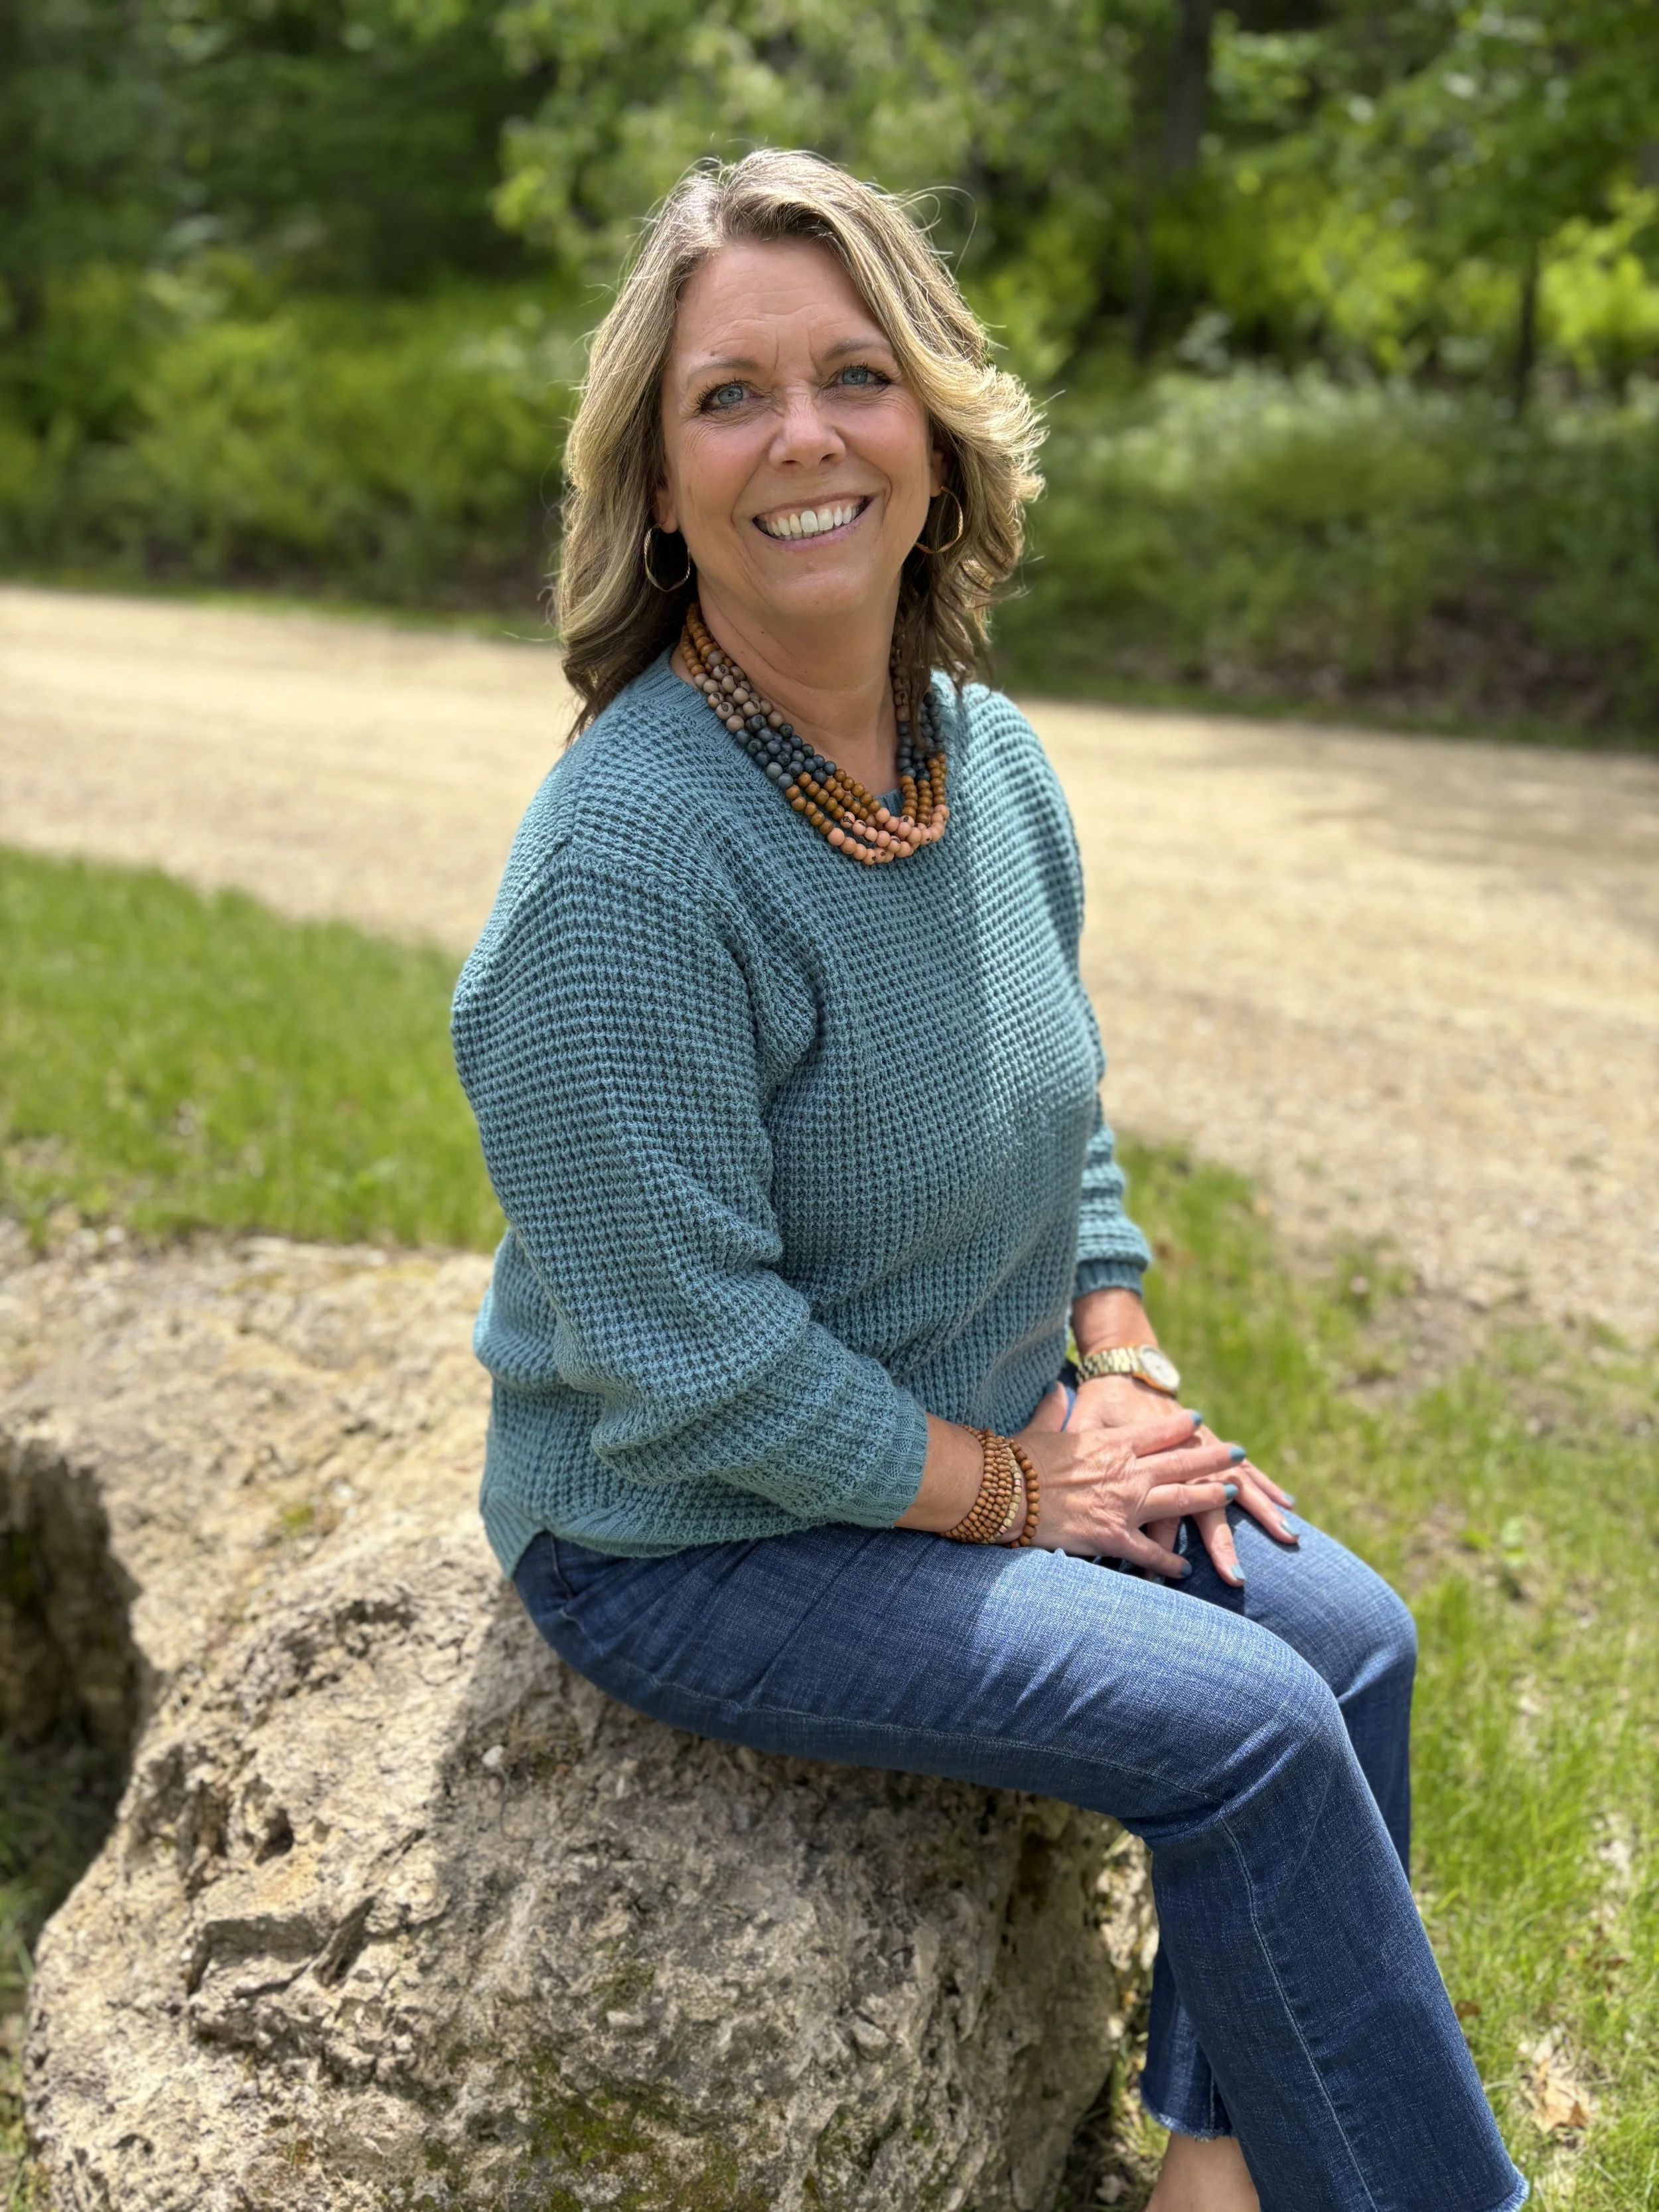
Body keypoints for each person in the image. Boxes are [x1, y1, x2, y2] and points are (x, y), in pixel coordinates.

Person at [451, 148, 1525, 2212]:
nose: (802, 437)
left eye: (854, 374)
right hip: (691, 1532)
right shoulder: (625, 871)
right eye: (728, 396)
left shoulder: (982, 758)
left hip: (973, 1427)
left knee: (1350, 1640)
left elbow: (1058, 1104)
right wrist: (1023, 1489)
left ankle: (1219, 2183)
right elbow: (696, 1372)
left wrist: (1115, 1350)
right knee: (1245, 1720)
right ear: (657, 484)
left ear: (935, 428)